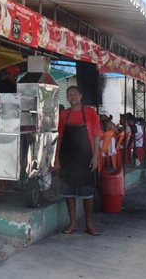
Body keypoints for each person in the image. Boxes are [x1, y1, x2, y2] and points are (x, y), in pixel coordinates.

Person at [54, 85, 101, 236]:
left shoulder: (91, 113)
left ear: (80, 96)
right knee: (69, 193)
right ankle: (72, 223)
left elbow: (96, 136)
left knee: (87, 193)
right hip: (67, 158)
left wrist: (95, 157)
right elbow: (60, 137)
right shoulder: (64, 115)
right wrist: (56, 158)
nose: (72, 96)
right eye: (69, 95)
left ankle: (88, 224)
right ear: (67, 99)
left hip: (86, 157)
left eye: (74, 93)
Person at [0, 65, 20, 132]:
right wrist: (10, 99)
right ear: (8, 74)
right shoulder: (2, 84)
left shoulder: (14, 86)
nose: (15, 78)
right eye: (14, 76)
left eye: (17, 76)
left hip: (8, 120)